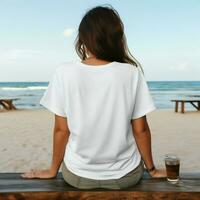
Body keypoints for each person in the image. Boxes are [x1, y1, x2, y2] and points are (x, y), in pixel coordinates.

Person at [21, 5, 166, 189]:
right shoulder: (131, 73)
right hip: (125, 175)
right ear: (116, 39)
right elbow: (141, 130)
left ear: (83, 40)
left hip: (78, 176)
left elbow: (61, 130)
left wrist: (52, 170)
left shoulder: (64, 72)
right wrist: (152, 170)